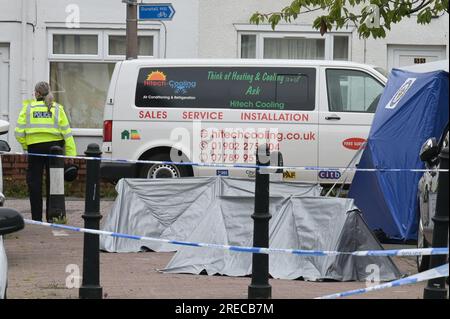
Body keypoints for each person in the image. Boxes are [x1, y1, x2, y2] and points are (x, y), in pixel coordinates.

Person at [14, 81, 77, 222]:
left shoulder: (28, 108)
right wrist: (71, 155)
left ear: (36, 93)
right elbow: (67, 133)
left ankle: (36, 218)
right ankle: (53, 216)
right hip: (55, 149)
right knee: (54, 183)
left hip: (35, 149)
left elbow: (18, 133)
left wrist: (26, 146)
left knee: (34, 184)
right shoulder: (57, 108)